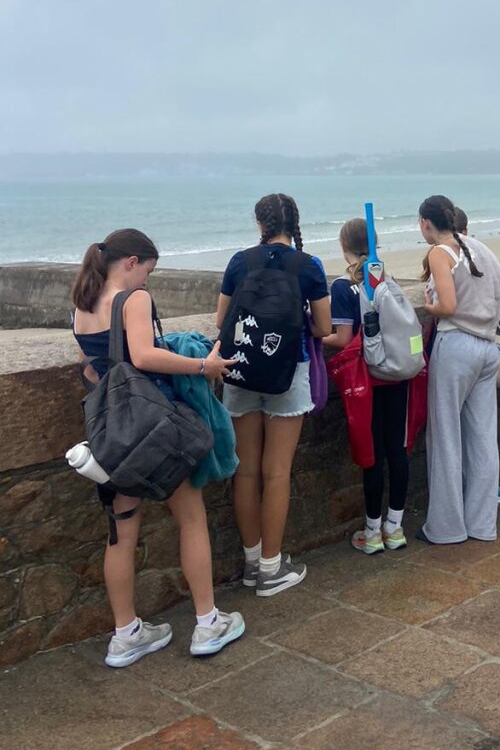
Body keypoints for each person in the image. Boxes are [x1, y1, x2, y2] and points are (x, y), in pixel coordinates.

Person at [72, 230, 245, 667]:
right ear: (131, 262)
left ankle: (126, 634)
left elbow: (92, 371)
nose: (147, 280)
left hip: (113, 438)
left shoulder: (83, 305)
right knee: (191, 519)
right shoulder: (133, 300)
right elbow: (144, 356)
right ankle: (208, 623)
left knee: (121, 533)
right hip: (153, 434)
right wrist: (204, 364)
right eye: (148, 271)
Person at [216, 194, 332, 597]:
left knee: (245, 471)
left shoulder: (239, 262)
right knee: (277, 471)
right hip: (287, 372)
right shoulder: (309, 265)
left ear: (259, 223)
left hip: (240, 371)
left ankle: (251, 564)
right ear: (294, 223)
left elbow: (221, 320)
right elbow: (323, 327)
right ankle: (271, 567)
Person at [419, 196, 500, 543]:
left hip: (456, 345)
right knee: (483, 438)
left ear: (426, 223)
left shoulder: (439, 252)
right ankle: (482, 524)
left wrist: (428, 305)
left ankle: (446, 528)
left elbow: (447, 305)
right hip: (487, 347)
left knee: (444, 436)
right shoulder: (480, 248)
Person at [324, 219, 411, 554]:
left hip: (366, 379)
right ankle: (396, 527)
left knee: (372, 453)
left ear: (343, 246)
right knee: (397, 449)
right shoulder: (384, 279)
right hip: (397, 371)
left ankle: (372, 532)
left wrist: (314, 334)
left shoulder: (342, 287)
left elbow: (342, 338)